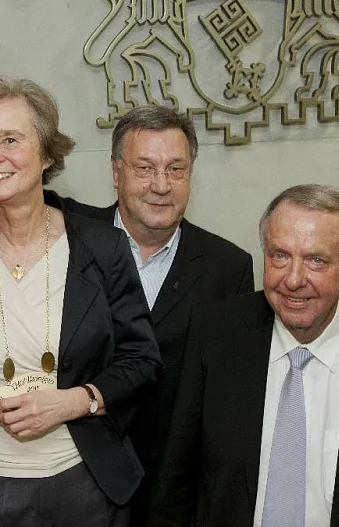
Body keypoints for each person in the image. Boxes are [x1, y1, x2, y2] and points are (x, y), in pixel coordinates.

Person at [0, 78, 163, 526]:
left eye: (11, 139)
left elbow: (142, 360)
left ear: (48, 153)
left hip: (87, 479)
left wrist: (74, 402)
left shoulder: (101, 246)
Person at [149, 184, 339, 527]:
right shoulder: (215, 334)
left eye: (316, 260)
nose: (294, 279)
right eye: (280, 256)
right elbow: (175, 481)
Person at [64, 105, 254, 524]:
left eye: (176, 169)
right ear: (116, 172)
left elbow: (228, 400)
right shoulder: (69, 239)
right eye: (145, 168)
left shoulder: (228, 267)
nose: (161, 186)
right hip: (73, 477)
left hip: (173, 492)